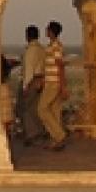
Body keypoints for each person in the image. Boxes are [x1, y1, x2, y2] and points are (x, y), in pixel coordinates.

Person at [37, 20, 68, 150]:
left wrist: (62, 85)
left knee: (42, 109)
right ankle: (56, 140)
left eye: (48, 29)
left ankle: (59, 135)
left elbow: (60, 65)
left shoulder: (56, 46)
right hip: (50, 81)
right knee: (55, 111)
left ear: (51, 31)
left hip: (54, 82)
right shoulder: (51, 46)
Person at [18, 25, 46, 145]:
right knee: (34, 108)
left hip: (31, 81)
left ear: (27, 36)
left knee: (25, 108)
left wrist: (25, 86)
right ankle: (38, 131)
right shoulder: (41, 49)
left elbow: (29, 69)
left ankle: (31, 134)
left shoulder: (30, 51)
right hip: (40, 79)